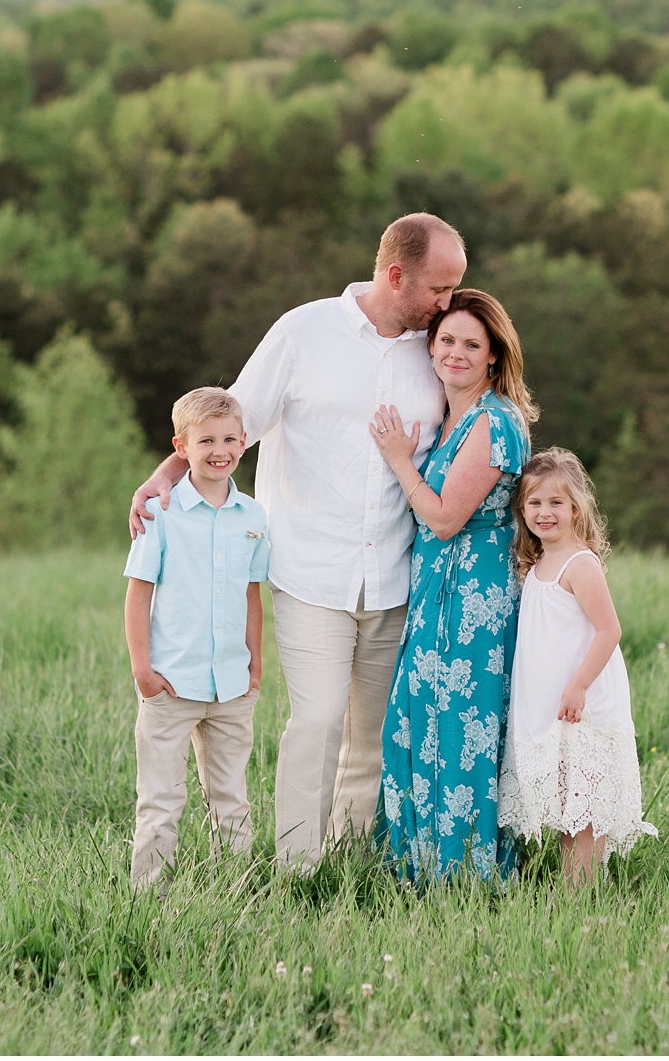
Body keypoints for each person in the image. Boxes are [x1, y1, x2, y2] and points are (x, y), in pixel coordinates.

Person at [128, 213, 468, 871]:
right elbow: (231, 420)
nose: (448, 304)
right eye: (439, 287)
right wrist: (164, 473)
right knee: (315, 723)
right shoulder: (303, 331)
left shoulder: (437, 352)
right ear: (396, 275)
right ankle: (297, 868)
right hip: (309, 569)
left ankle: (348, 863)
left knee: (367, 737)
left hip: (395, 576)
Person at [368, 289, 536, 884]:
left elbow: (443, 517)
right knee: (420, 723)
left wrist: (398, 459)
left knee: (463, 728)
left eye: (472, 344)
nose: (456, 353)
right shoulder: (452, 420)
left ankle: (467, 876)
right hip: (436, 597)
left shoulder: (494, 423)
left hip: (475, 605)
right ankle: (416, 868)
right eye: (446, 341)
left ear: (494, 356)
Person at [122, 388, 270, 891]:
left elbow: (252, 595)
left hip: (231, 684)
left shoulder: (252, 517)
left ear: (244, 442)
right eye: (205, 440)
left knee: (231, 797)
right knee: (161, 799)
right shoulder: (160, 513)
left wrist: (254, 667)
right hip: (171, 682)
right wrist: (142, 670)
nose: (219, 449)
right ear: (180, 446)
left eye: (229, 438)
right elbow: (138, 596)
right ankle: (149, 895)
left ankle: (234, 891)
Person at [497, 448, 656, 885]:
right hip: (553, 706)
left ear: (576, 508)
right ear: (522, 509)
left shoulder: (579, 564)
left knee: (583, 811)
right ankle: (580, 889)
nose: (544, 513)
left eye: (556, 503)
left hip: (582, 704)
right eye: (534, 503)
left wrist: (578, 686)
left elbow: (610, 631)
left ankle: (579, 897)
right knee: (569, 808)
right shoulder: (538, 562)